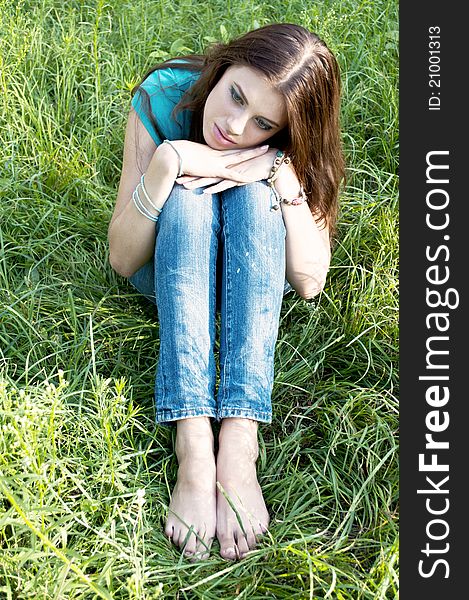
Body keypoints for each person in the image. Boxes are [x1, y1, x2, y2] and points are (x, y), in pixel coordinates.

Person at [108, 22, 345, 561]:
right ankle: (193, 442)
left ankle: (238, 441)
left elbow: (309, 280)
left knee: (256, 206)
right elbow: (123, 257)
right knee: (190, 204)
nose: (234, 127)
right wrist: (171, 162)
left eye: (262, 123)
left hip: (251, 270)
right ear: (224, 65)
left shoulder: (293, 142)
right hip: (169, 260)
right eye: (235, 95)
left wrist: (280, 175)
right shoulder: (166, 93)